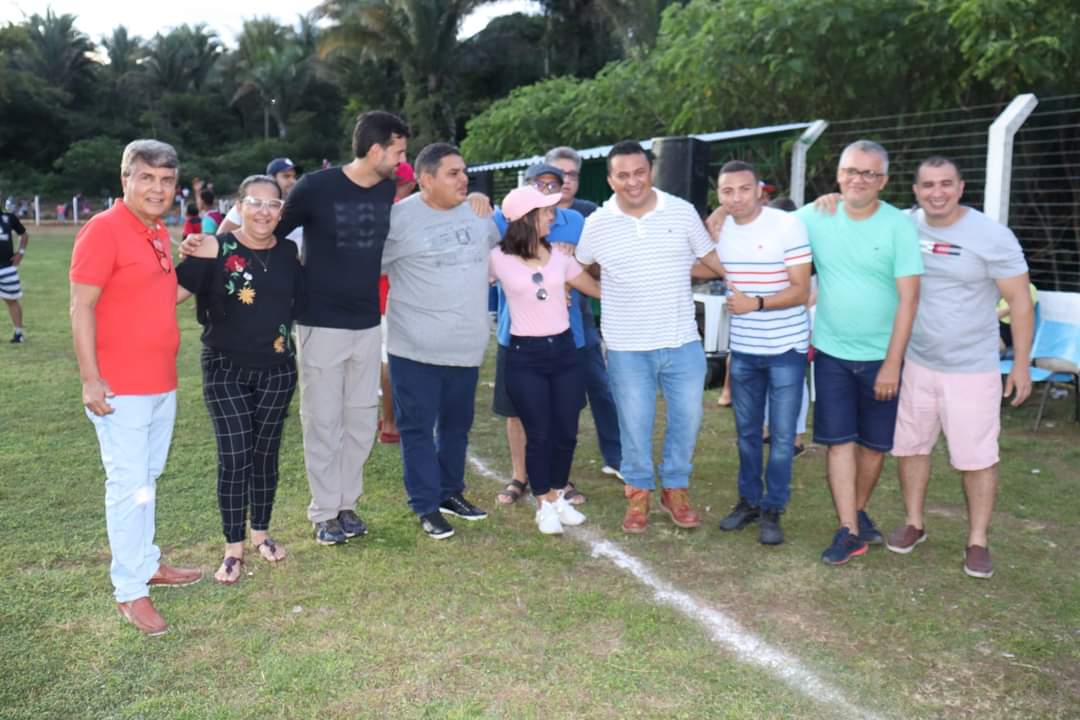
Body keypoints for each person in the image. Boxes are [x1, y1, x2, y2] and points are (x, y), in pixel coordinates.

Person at [70, 139, 202, 637]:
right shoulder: (104, 230)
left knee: (146, 480)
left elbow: (169, 296)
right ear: (125, 179)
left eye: (167, 180)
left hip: (160, 382)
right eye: (147, 177)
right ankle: (130, 591)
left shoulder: (155, 232)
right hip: (120, 388)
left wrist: (207, 251)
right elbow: (81, 306)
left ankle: (146, 562)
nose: (158, 188)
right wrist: (90, 378)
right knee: (128, 487)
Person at [886, 156, 1033, 579]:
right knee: (911, 448)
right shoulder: (903, 225)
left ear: (961, 187)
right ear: (915, 191)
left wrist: (1020, 366)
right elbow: (858, 216)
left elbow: (1020, 302)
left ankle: (978, 540)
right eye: (928, 184)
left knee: (977, 457)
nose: (937, 192)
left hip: (972, 367)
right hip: (916, 362)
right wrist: (829, 200)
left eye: (945, 184)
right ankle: (914, 522)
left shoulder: (991, 235)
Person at [575, 141, 727, 534]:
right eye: (622, 175)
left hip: (681, 341)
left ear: (651, 171)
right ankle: (638, 493)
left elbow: (712, 261)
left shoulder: (680, 211)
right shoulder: (598, 223)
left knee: (688, 420)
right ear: (610, 179)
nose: (632, 182)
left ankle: (675, 489)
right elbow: (579, 268)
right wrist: (604, 291)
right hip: (627, 346)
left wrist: (694, 269)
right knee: (634, 424)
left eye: (638, 172)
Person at [797, 139, 923, 566]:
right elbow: (763, 224)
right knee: (838, 443)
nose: (859, 180)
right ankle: (849, 529)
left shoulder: (898, 226)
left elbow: (909, 300)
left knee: (873, 447)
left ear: (883, 181)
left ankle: (856, 512)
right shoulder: (818, 215)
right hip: (831, 352)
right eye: (852, 171)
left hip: (881, 359)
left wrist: (892, 363)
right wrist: (722, 212)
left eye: (869, 173)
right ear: (839, 174)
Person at [176, 175, 302, 584]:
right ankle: (233, 548)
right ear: (239, 206)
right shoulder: (215, 246)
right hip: (225, 368)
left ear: (282, 212)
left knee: (265, 455)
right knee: (234, 457)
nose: (264, 211)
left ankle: (261, 533)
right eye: (255, 202)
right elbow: (169, 292)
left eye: (273, 204)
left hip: (278, 370)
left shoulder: (289, 251)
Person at [382, 142, 499, 539]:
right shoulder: (397, 220)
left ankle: (451, 493)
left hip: (465, 347)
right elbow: (361, 263)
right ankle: (426, 506)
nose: (464, 179)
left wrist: (482, 197)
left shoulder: (480, 213)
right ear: (425, 179)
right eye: (453, 173)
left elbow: (510, 251)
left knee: (456, 428)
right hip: (415, 348)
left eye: (465, 172)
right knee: (417, 429)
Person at [700, 161, 812, 546]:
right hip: (744, 351)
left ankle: (773, 508)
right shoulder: (720, 228)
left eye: (744, 190)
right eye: (726, 192)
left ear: (760, 190)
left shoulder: (787, 225)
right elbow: (696, 259)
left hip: (786, 349)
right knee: (747, 434)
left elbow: (801, 290)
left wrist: (758, 303)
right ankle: (747, 501)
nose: (735, 198)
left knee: (782, 437)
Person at [491, 185, 601, 533]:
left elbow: (596, 289)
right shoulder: (497, 258)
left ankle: (556, 495)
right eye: (545, 212)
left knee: (566, 431)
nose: (553, 216)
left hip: (565, 352)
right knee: (538, 433)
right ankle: (544, 503)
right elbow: (462, 284)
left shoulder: (560, 256)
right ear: (526, 219)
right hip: (525, 356)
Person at [543, 147, 623, 480]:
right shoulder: (527, 213)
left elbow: (608, 264)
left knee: (600, 386)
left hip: (581, 318)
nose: (565, 182)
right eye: (558, 175)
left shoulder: (591, 215)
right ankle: (546, 469)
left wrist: (581, 261)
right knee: (548, 397)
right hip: (536, 324)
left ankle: (617, 457)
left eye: (572, 175)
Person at [376, 161, 418, 445]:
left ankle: (388, 418)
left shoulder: (378, 205)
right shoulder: (402, 210)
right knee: (391, 360)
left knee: (384, 357)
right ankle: (391, 423)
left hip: (378, 293)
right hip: (393, 293)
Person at [219, 158, 302, 256]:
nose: (293, 181)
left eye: (294, 177)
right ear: (271, 178)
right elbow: (222, 238)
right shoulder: (249, 205)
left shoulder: (301, 205)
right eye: (286, 176)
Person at [0, 202, 29, 343]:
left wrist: (20, 253)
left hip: (7, 267)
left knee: (11, 300)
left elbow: (24, 234)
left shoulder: (8, 217)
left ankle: (18, 333)